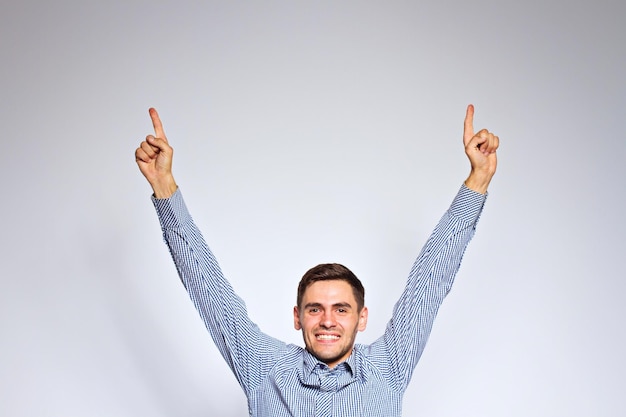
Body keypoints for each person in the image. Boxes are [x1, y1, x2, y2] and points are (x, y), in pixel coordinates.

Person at [135, 105, 499, 417]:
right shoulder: (265, 368)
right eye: (314, 309)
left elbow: (429, 281)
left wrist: (477, 180)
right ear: (297, 317)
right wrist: (165, 187)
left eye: (341, 309)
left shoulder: (389, 367)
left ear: (362, 317)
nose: (327, 320)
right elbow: (210, 291)